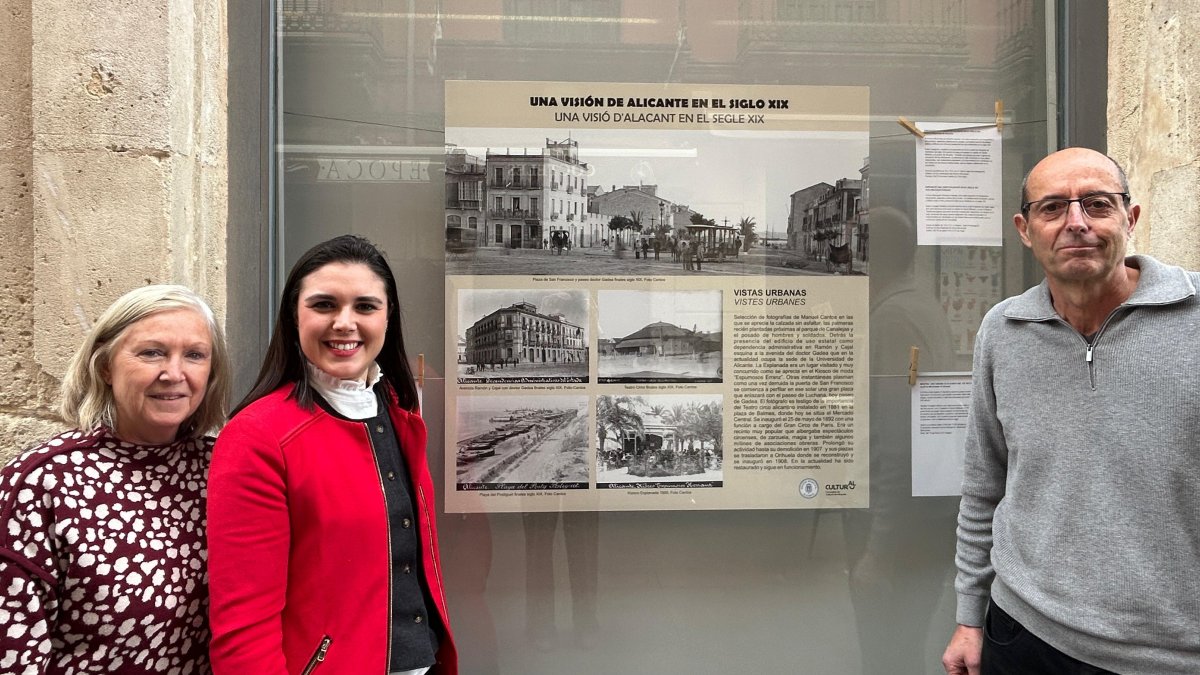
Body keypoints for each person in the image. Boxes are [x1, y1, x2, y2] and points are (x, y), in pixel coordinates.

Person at [942, 148, 1200, 675]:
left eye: (1097, 204)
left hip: (1170, 653)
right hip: (1026, 633)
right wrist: (970, 618)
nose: (1076, 223)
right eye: (1053, 207)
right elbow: (985, 484)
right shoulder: (1004, 329)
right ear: (1025, 228)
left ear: (1130, 218)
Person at [207, 234, 457, 674]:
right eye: (324, 305)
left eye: (365, 306)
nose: (345, 323)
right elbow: (243, 627)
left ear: (388, 315)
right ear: (294, 315)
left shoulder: (399, 411)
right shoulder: (256, 436)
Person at [0, 284, 230, 673]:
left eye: (194, 355)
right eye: (152, 352)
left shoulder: (222, 469)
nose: (173, 373)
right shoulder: (42, 482)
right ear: (105, 366)